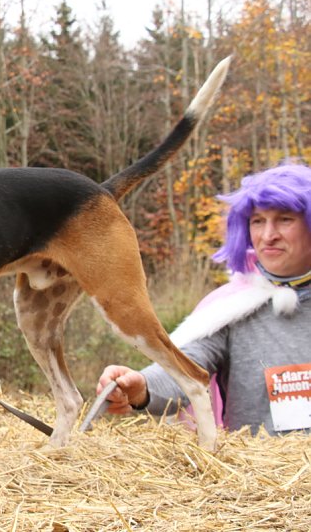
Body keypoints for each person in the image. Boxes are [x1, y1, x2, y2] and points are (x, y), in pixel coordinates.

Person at [97, 164, 311, 436]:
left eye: (285, 220)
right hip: (261, 463)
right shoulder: (230, 309)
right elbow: (184, 368)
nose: (268, 235)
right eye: (258, 221)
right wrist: (140, 386)